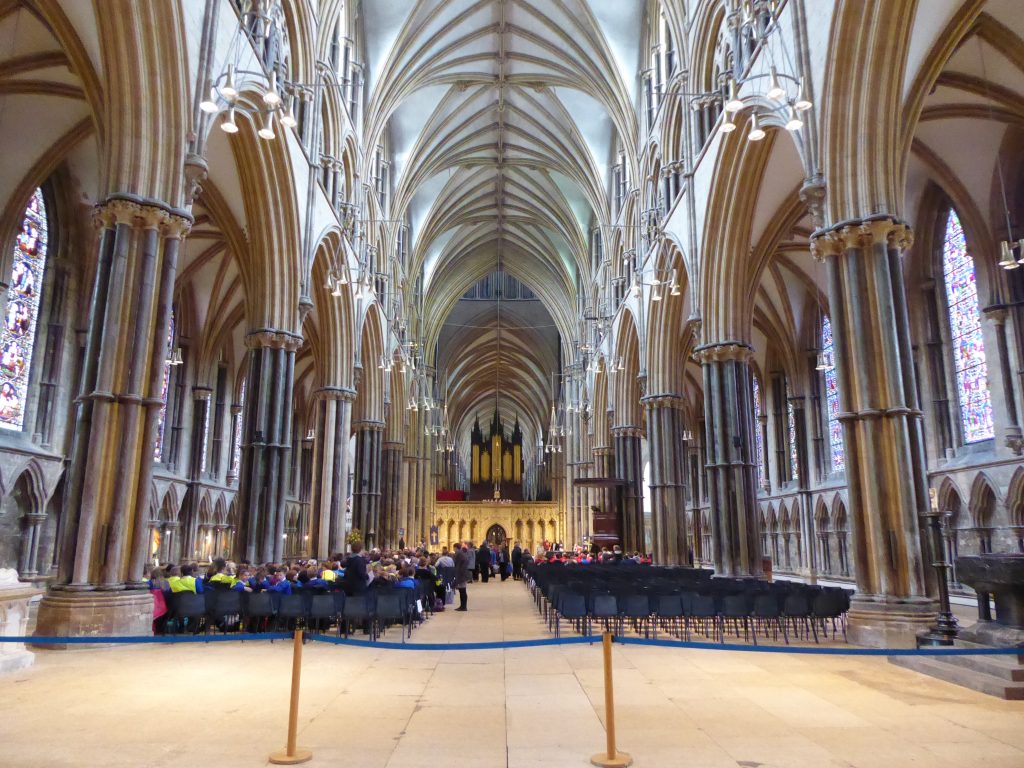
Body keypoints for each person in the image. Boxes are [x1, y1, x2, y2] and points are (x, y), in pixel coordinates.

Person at [453, 544, 471, 611]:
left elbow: (458, 563)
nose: (454, 550)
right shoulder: (461, 553)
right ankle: (462, 606)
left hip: (461, 574)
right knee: (462, 590)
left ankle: (463, 606)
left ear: (456, 548)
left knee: (462, 591)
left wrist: (460, 572)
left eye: (454, 548)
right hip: (462, 573)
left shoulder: (458, 553)